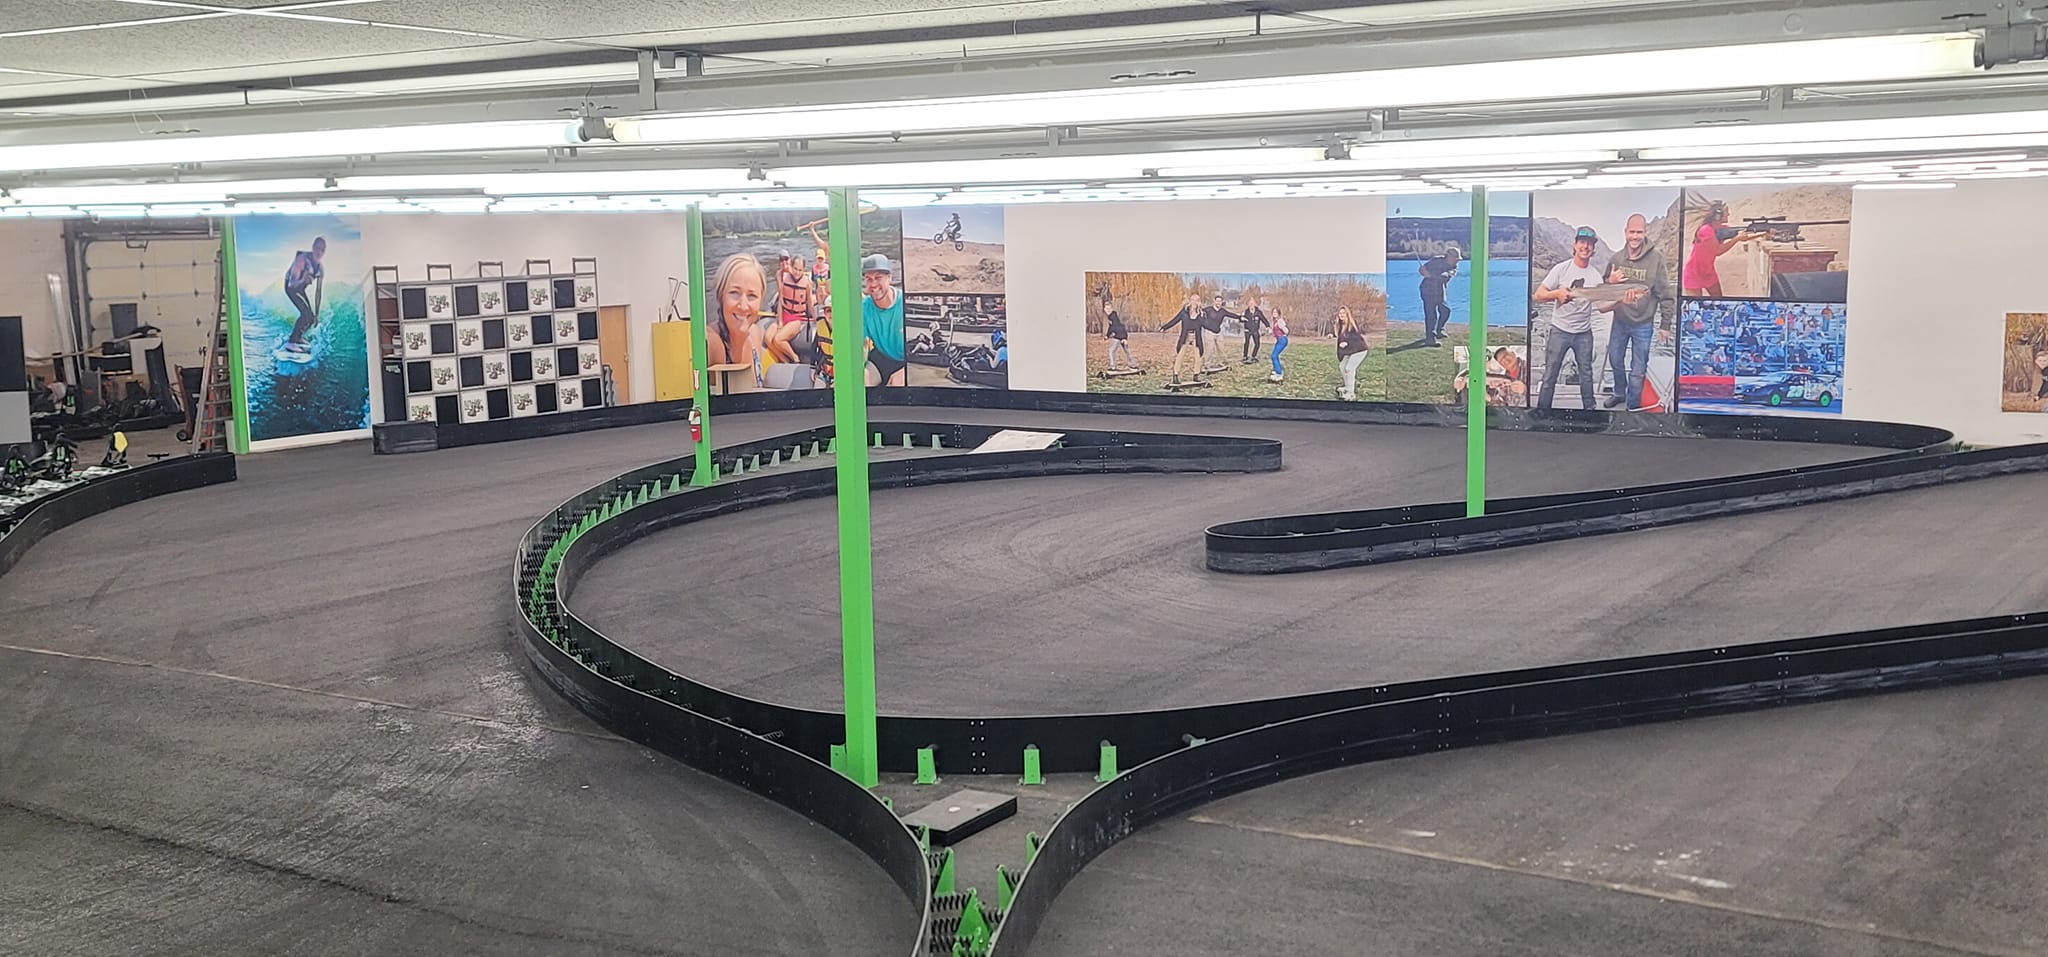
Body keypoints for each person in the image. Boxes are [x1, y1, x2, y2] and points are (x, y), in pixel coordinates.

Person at [1533, 226, 1633, 409]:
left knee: (1586, 375)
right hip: (1559, 331)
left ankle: (1590, 410)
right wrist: (1556, 294)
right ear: (1575, 245)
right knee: (1550, 375)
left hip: (1583, 334)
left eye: (1589, 244)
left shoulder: (1595, 277)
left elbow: (1601, 307)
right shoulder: (1561, 269)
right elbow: (1538, 295)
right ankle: (1542, 411)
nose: (1585, 247)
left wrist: (1620, 301)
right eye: (1582, 242)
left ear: (1593, 249)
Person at [1603, 213, 1670, 410]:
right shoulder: (1616, 258)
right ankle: (1619, 393)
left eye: (1639, 232)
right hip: (1620, 321)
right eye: (1632, 232)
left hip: (1643, 324)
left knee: (1638, 369)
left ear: (1645, 232)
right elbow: (1604, 288)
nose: (1635, 236)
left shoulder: (1656, 259)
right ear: (1625, 232)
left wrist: (1665, 325)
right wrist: (1610, 282)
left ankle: (1632, 407)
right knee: (1615, 359)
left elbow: (1666, 294)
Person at [1683, 200, 1768, 297]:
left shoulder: (1720, 228)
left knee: (1718, 300)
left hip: (1708, 271)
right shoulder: (1706, 230)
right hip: (1694, 273)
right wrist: (1736, 239)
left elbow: (1744, 236)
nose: (1728, 214)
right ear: (1718, 215)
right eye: (1726, 212)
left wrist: (1764, 233)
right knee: (1695, 304)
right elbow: (1718, 251)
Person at [706, 253, 767, 382]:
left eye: (752, 296)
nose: (743, 306)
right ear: (721, 296)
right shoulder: (712, 343)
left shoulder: (755, 334)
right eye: (734, 293)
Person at [860, 253, 907, 386]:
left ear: (889, 278)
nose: (873, 284)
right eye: (868, 279)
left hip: (907, 361)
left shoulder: (904, 304)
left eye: (878, 278)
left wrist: (904, 372)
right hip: (882, 356)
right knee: (859, 381)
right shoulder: (864, 307)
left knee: (899, 385)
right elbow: (861, 345)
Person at [766, 253, 813, 364]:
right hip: (784, 314)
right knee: (768, 338)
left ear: (804, 270)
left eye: (800, 270)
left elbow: (810, 304)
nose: (797, 272)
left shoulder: (807, 284)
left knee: (778, 339)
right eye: (795, 269)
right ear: (791, 267)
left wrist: (816, 319)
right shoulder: (785, 279)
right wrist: (780, 321)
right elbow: (781, 302)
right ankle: (785, 361)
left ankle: (795, 358)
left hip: (797, 318)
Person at [283, 236, 327, 351]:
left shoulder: (320, 268)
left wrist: (317, 314)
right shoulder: (302, 259)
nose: (319, 252)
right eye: (317, 248)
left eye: (322, 250)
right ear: (313, 247)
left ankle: (298, 337)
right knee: (305, 314)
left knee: (311, 318)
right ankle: (291, 342)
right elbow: (291, 285)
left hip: (300, 289)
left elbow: (318, 292)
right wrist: (303, 280)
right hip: (290, 287)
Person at [1419, 245, 1459, 346]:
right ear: (1448, 256)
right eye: (1456, 259)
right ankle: (1430, 339)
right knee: (1431, 314)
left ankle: (1440, 329)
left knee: (1446, 310)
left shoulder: (1453, 267)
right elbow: (1422, 270)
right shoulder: (1436, 260)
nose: (1457, 261)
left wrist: (1431, 275)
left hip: (1440, 290)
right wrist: (1423, 271)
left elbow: (1445, 277)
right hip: (1427, 290)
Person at [1160, 293, 1205, 384]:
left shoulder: (1201, 314)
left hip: (1196, 336)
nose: (1194, 302)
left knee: (1198, 356)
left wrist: (1216, 328)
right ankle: (1175, 375)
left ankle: (1196, 375)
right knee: (1180, 355)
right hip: (1185, 336)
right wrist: (1164, 327)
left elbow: (1208, 324)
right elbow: (1175, 320)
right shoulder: (1184, 312)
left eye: (1196, 300)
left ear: (1199, 302)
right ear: (1190, 301)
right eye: (1192, 300)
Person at [1198, 294, 1240, 374]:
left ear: (1222, 302)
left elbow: (1231, 314)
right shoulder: (1208, 310)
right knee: (1209, 349)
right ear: (1214, 301)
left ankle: (1222, 362)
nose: (1218, 303)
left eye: (1220, 301)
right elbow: (1199, 313)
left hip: (1218, 332)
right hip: (1209, 332)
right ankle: (1207, 364)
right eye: (1217, 301)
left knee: (1221, 348)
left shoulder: (1222, 311)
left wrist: (1240, 317)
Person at [1335, 305, 1369, 401]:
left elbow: (1356, 338)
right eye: (1340, 313)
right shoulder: (1340, 326)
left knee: (1349, 369)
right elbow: (1340, 339)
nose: (1341, 315)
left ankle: (1351, 394)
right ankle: (1347, 387)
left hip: (1359, 350)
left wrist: (1347, 343)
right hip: (1350, 351)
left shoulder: (1352, 325)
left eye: (1343, 313)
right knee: (1342, 366)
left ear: (1347, 314)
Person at [1104, 298, 1135, 370]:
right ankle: (1133, 365)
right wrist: (1108, 335)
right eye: (1106, 309)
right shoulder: (1112, 316)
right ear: (1104, 309)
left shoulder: (1113, 316)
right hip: (1121, 335)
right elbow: (1112, 327)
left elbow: (1115, 327)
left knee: (1111, 351)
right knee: (1127, 351)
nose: (1107, 310)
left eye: (1109, 309)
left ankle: (1113, 367)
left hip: (1119, 336)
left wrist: (1123, 338)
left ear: (1111, 309)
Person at [1239, 295, 1268, 364]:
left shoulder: (1258, 312)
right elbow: (1240, 319)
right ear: (1248, 304)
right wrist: (1241, 319)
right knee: (1246, 343)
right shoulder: (1245, 312)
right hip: (1247, 330)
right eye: (1250, 303)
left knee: (1257, 344)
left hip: (1255, 330)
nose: (1251, 304)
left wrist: (1267, 326)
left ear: (1255, 303)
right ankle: (1245, 356)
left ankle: (1253, 356)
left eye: (1253, 303)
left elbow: (1263, 319)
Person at [1267, 306, 1290, 382]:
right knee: (1273, 355)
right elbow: (1274, 331)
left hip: (1282, 340)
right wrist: (1269, 331)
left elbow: (1286, 331)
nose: (1274, 314)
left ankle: (1279, 373)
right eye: (1273, 312)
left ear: (1278, 313)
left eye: (1276, 312)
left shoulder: (1280, 321)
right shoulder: (1274, 321)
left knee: (1274, 356)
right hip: (1279, 340)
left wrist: (1282, 327)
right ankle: (1277, 370)